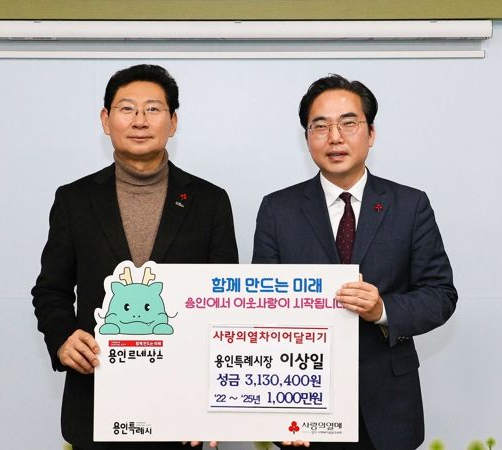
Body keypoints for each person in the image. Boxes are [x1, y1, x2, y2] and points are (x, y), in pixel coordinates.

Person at [32, 64, 238, 450]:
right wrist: (63, 338)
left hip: (185, 408)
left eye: (153, 109)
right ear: (105, 120)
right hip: (96, 399)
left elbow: (225, 302)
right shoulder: (74, 200)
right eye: (127, 108)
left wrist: (215, 404)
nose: (140, 120)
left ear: (173, 122)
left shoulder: (209, 201)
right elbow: (50, 291)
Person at [252, 75, 457, 450]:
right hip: (303, 401)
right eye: (320, 126)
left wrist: (382, 310)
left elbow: (440, 295)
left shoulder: (410, 205)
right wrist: (278, 409)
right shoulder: (277, 210)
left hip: (389, 405)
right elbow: (260, 310)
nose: (335, 137)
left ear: (371, 133)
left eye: (348, 123)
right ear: (306, 137)